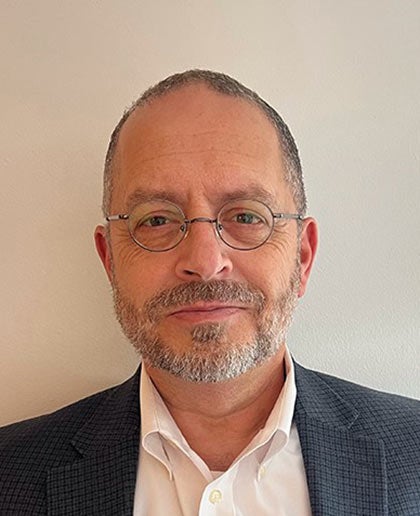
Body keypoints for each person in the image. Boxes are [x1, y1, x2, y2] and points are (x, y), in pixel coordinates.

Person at [1, 70, 419, 516]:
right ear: (110, 260)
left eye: (246, 216)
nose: (204, 261)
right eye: (157, 220)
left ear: (302, 256)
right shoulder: (9, 477)